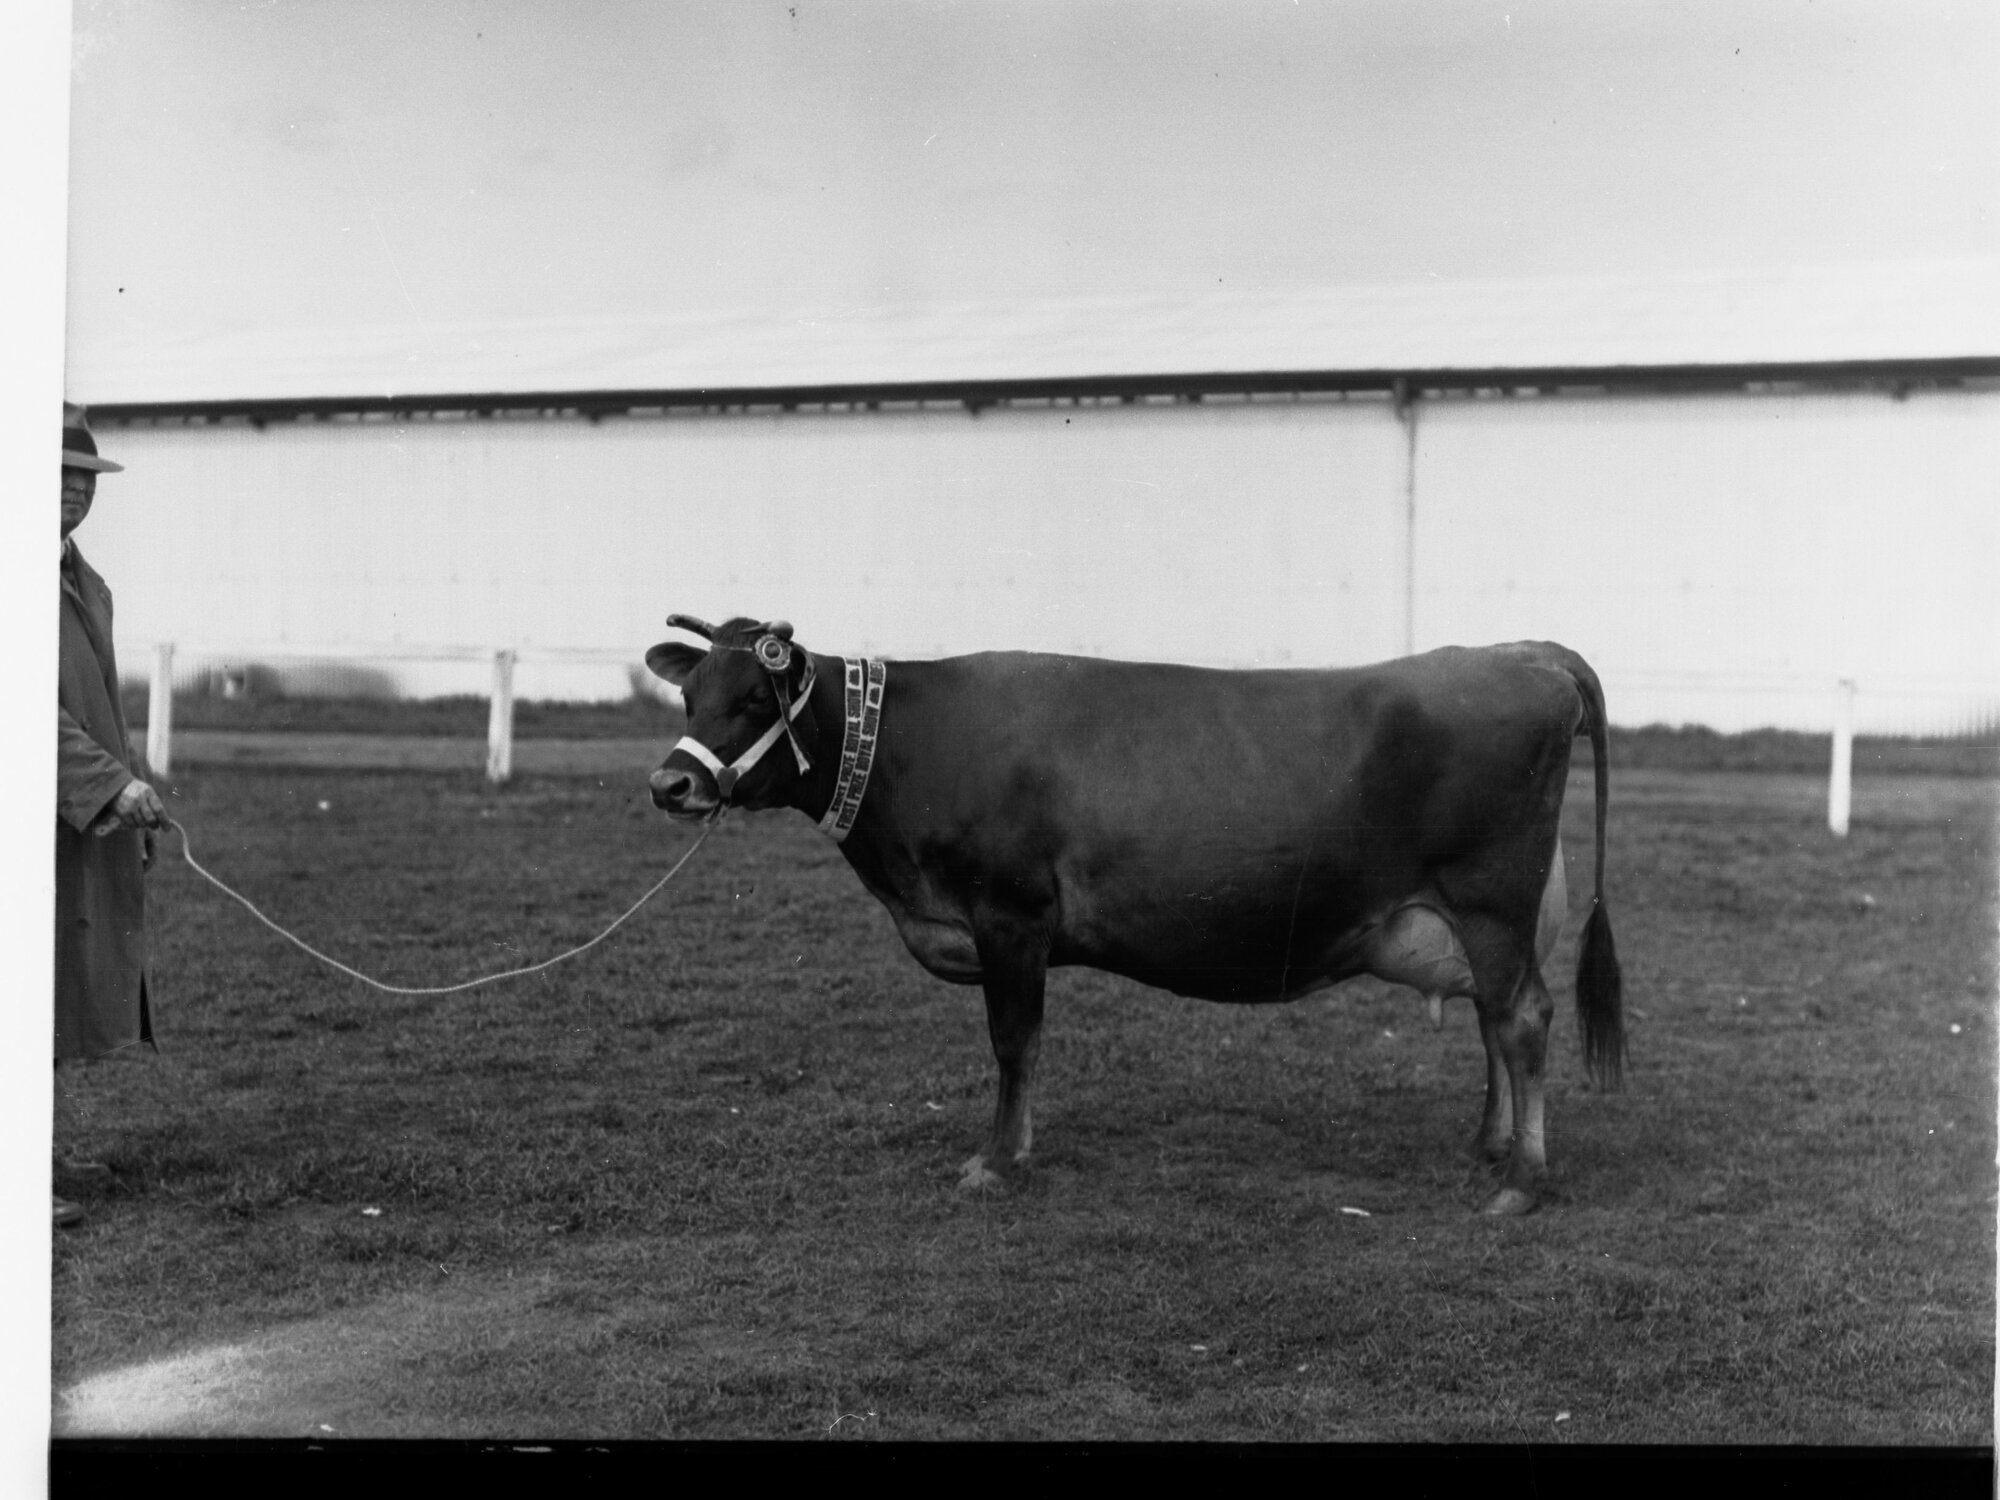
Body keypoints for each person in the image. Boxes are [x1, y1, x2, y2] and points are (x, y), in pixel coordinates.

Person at [56, 402, 166, 1228]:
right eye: (54, 477)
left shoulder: (86, 584)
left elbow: (98, 711)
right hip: (39, 811)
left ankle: (39, 1151)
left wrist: (129, 789)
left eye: (84, 479)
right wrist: (108, 786)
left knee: (54, 983)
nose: (71, 493)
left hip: (74, 821)